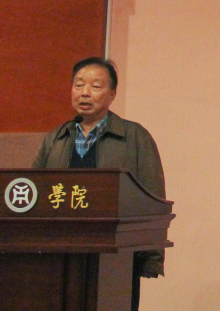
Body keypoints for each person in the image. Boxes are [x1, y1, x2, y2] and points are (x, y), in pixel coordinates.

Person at [33, 57, 165, 311]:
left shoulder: (135, 137)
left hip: (116, 256)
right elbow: (35, 192)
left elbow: (153, 196)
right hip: (61, 253)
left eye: (95, 86)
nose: (85, 93)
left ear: (112, 94)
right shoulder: (56, 138)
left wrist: (152, 257)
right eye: (78, 85)